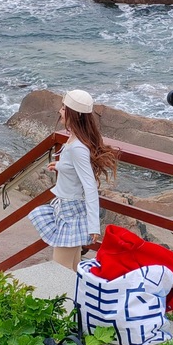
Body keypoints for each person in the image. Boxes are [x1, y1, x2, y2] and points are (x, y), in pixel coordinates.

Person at [28, 89, 118, 270]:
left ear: (74, 114)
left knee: (60, 270)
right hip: (67, 207)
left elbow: (90, 186)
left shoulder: (77, 147)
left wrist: (93, 226)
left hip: (70, 213)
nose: (59, 111)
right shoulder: (75, 139)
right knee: (73, 267)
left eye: (63, 108)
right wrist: (61, 166)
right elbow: (76, 168)